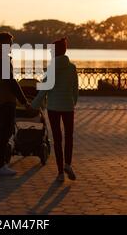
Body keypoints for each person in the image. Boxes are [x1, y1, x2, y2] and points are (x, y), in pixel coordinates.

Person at [32, 37, 78, 182]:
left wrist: (33, 106)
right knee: (69, 136)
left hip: (53, 107)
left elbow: (43, 91)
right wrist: (72, 103)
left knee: (57, 138)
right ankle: (68, 164)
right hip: (68, 106)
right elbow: (75, 90)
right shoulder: (72, 67)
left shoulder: (51, 69)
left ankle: (60, 173)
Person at [0, 32, 30, 176]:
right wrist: (24, 100)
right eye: (9, 43)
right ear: (2, 44)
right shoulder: (2, 60)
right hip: (5, 100)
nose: (11, 46)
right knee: (6, 132)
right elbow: (11, 82)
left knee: (1, 131)